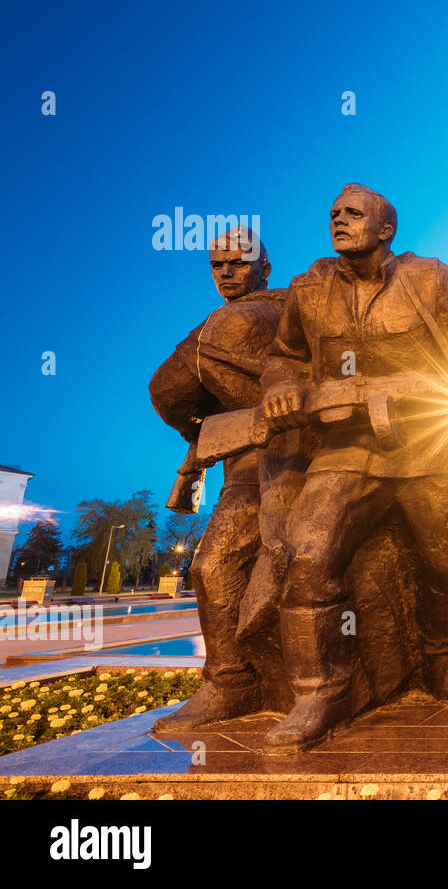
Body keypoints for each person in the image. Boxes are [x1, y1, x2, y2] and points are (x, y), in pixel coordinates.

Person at [259, 183, 448, 751]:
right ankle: (316, 693)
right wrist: (281, 387)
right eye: (334, 214)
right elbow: (285, 356)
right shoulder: (308, 289)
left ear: (386, 230)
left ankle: (447, 657)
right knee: (309, 555)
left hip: (432, 444)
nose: (339, 221)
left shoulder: (428, 277)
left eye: (354, 214)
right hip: (348, 447)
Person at [149, 226, 284, 730]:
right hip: (247, 468)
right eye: (217, 264)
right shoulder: (214, 325)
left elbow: (167, 392)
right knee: (213, 569)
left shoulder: (286, 310)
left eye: (238, 262)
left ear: (264, 267)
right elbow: (166, 388)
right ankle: (232, 681)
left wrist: (198, 429)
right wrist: (203, 443)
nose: (227, 272)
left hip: (305, 460)